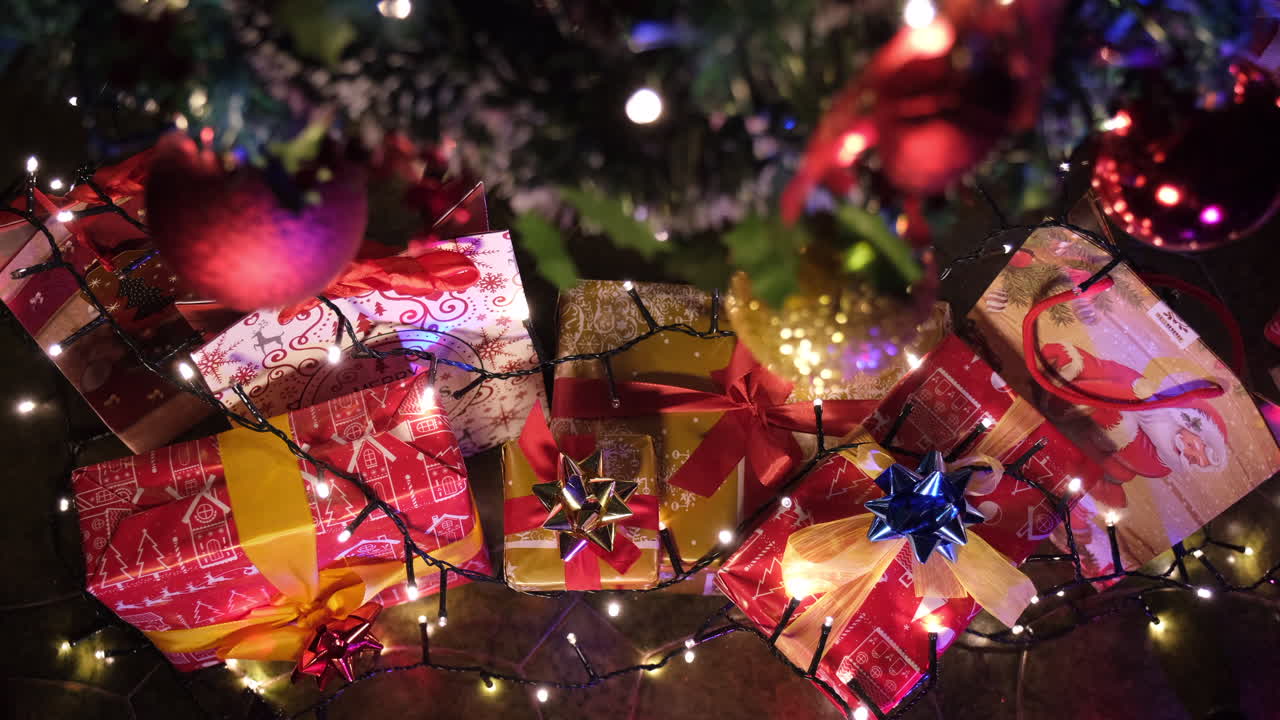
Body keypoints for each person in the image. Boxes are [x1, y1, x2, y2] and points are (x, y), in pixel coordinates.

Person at [1039, 343, 1227, 508]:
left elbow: (1125, 444)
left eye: (1193, 460)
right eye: (1194, 447)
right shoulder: (1147, 393)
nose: (1187, 453)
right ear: (1193, 427)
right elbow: (1108, 371)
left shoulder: (1161, 463)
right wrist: (1076, 361)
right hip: (1069, 408)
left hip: (1085, 444)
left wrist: (1112, 414)